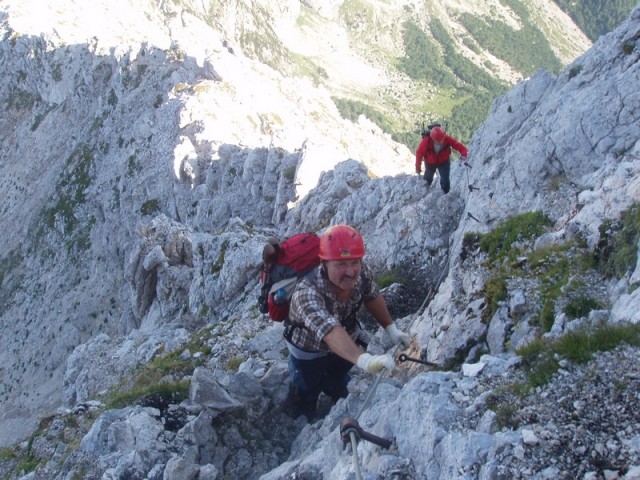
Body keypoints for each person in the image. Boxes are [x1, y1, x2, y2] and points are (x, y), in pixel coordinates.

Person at [283, 224, 411, 420]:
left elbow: (371, 296)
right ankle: (305, 411)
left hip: (344, 342)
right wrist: (365, 360)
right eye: (341, 264)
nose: (350, 271)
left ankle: (336, 391)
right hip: (307, 351)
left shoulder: (362, 273)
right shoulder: (306, 292)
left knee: (339, 377)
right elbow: (330, 331)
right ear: (324, 264)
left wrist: (391, 329)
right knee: (308, 386)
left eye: (354, 262)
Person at [415, 126, 468, 194]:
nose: (442, 141)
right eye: (440, 140)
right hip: (430, 162)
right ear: (433, 139)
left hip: (444, 162)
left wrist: (464, 154)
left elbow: (458, 146)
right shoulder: (426, 142)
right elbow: (419, 154)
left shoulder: (446, 138)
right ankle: (425, 192)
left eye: (442, 139)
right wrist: (418, 168)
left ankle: (445, 194)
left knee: (445, 180)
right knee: (428, 178)